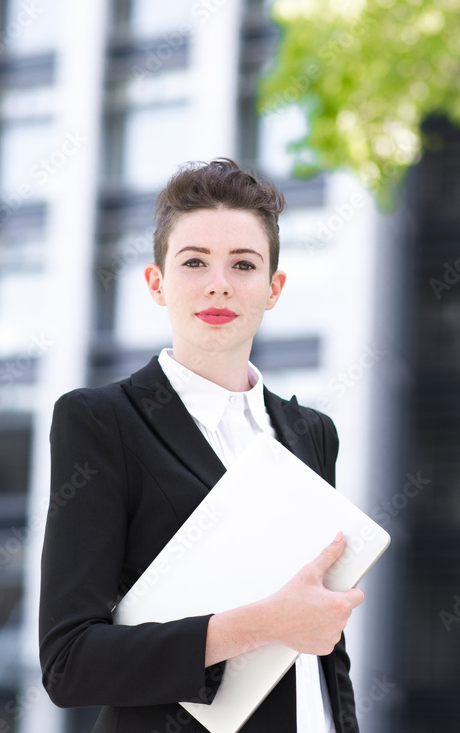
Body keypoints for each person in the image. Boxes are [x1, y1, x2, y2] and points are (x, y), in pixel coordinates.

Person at [39, 157, 365, 733]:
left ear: (274, 289)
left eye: (243, 264)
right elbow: (69, 664)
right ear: (156, 283)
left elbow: (326, 647)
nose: (219, 283)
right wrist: (261, 623)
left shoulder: (313, 433)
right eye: (194, 262)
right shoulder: (101, 421)